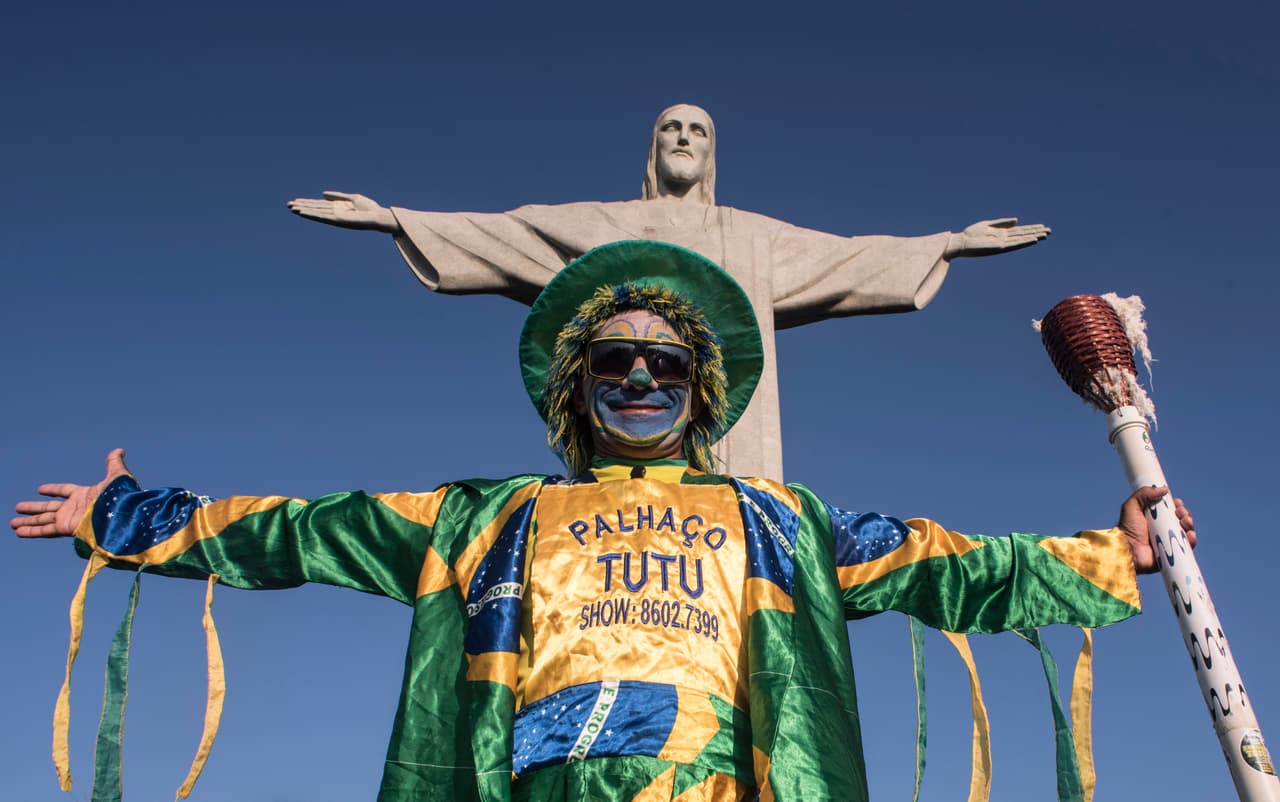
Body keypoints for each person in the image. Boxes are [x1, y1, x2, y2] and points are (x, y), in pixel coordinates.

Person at [13, 240, 1189, 801]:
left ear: (700, 388)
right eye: (616, 360)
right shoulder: (488, 515)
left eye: (664, 361)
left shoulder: (774, 516)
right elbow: (302, 528)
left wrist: (1110, 551)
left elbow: (943, 564)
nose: (639, 377)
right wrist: (126, 513)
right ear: (577, 386)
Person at [287, 104, 1051, 481]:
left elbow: (844, 260)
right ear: (652, 149)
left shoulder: (753, 237)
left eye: (699, 131)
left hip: (741, 462)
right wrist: (395, 218)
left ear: (712, 153)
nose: (684, 138)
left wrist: (945, 242)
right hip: (626, 455)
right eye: (671, 130)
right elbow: (508, 235)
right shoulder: (606, 227)